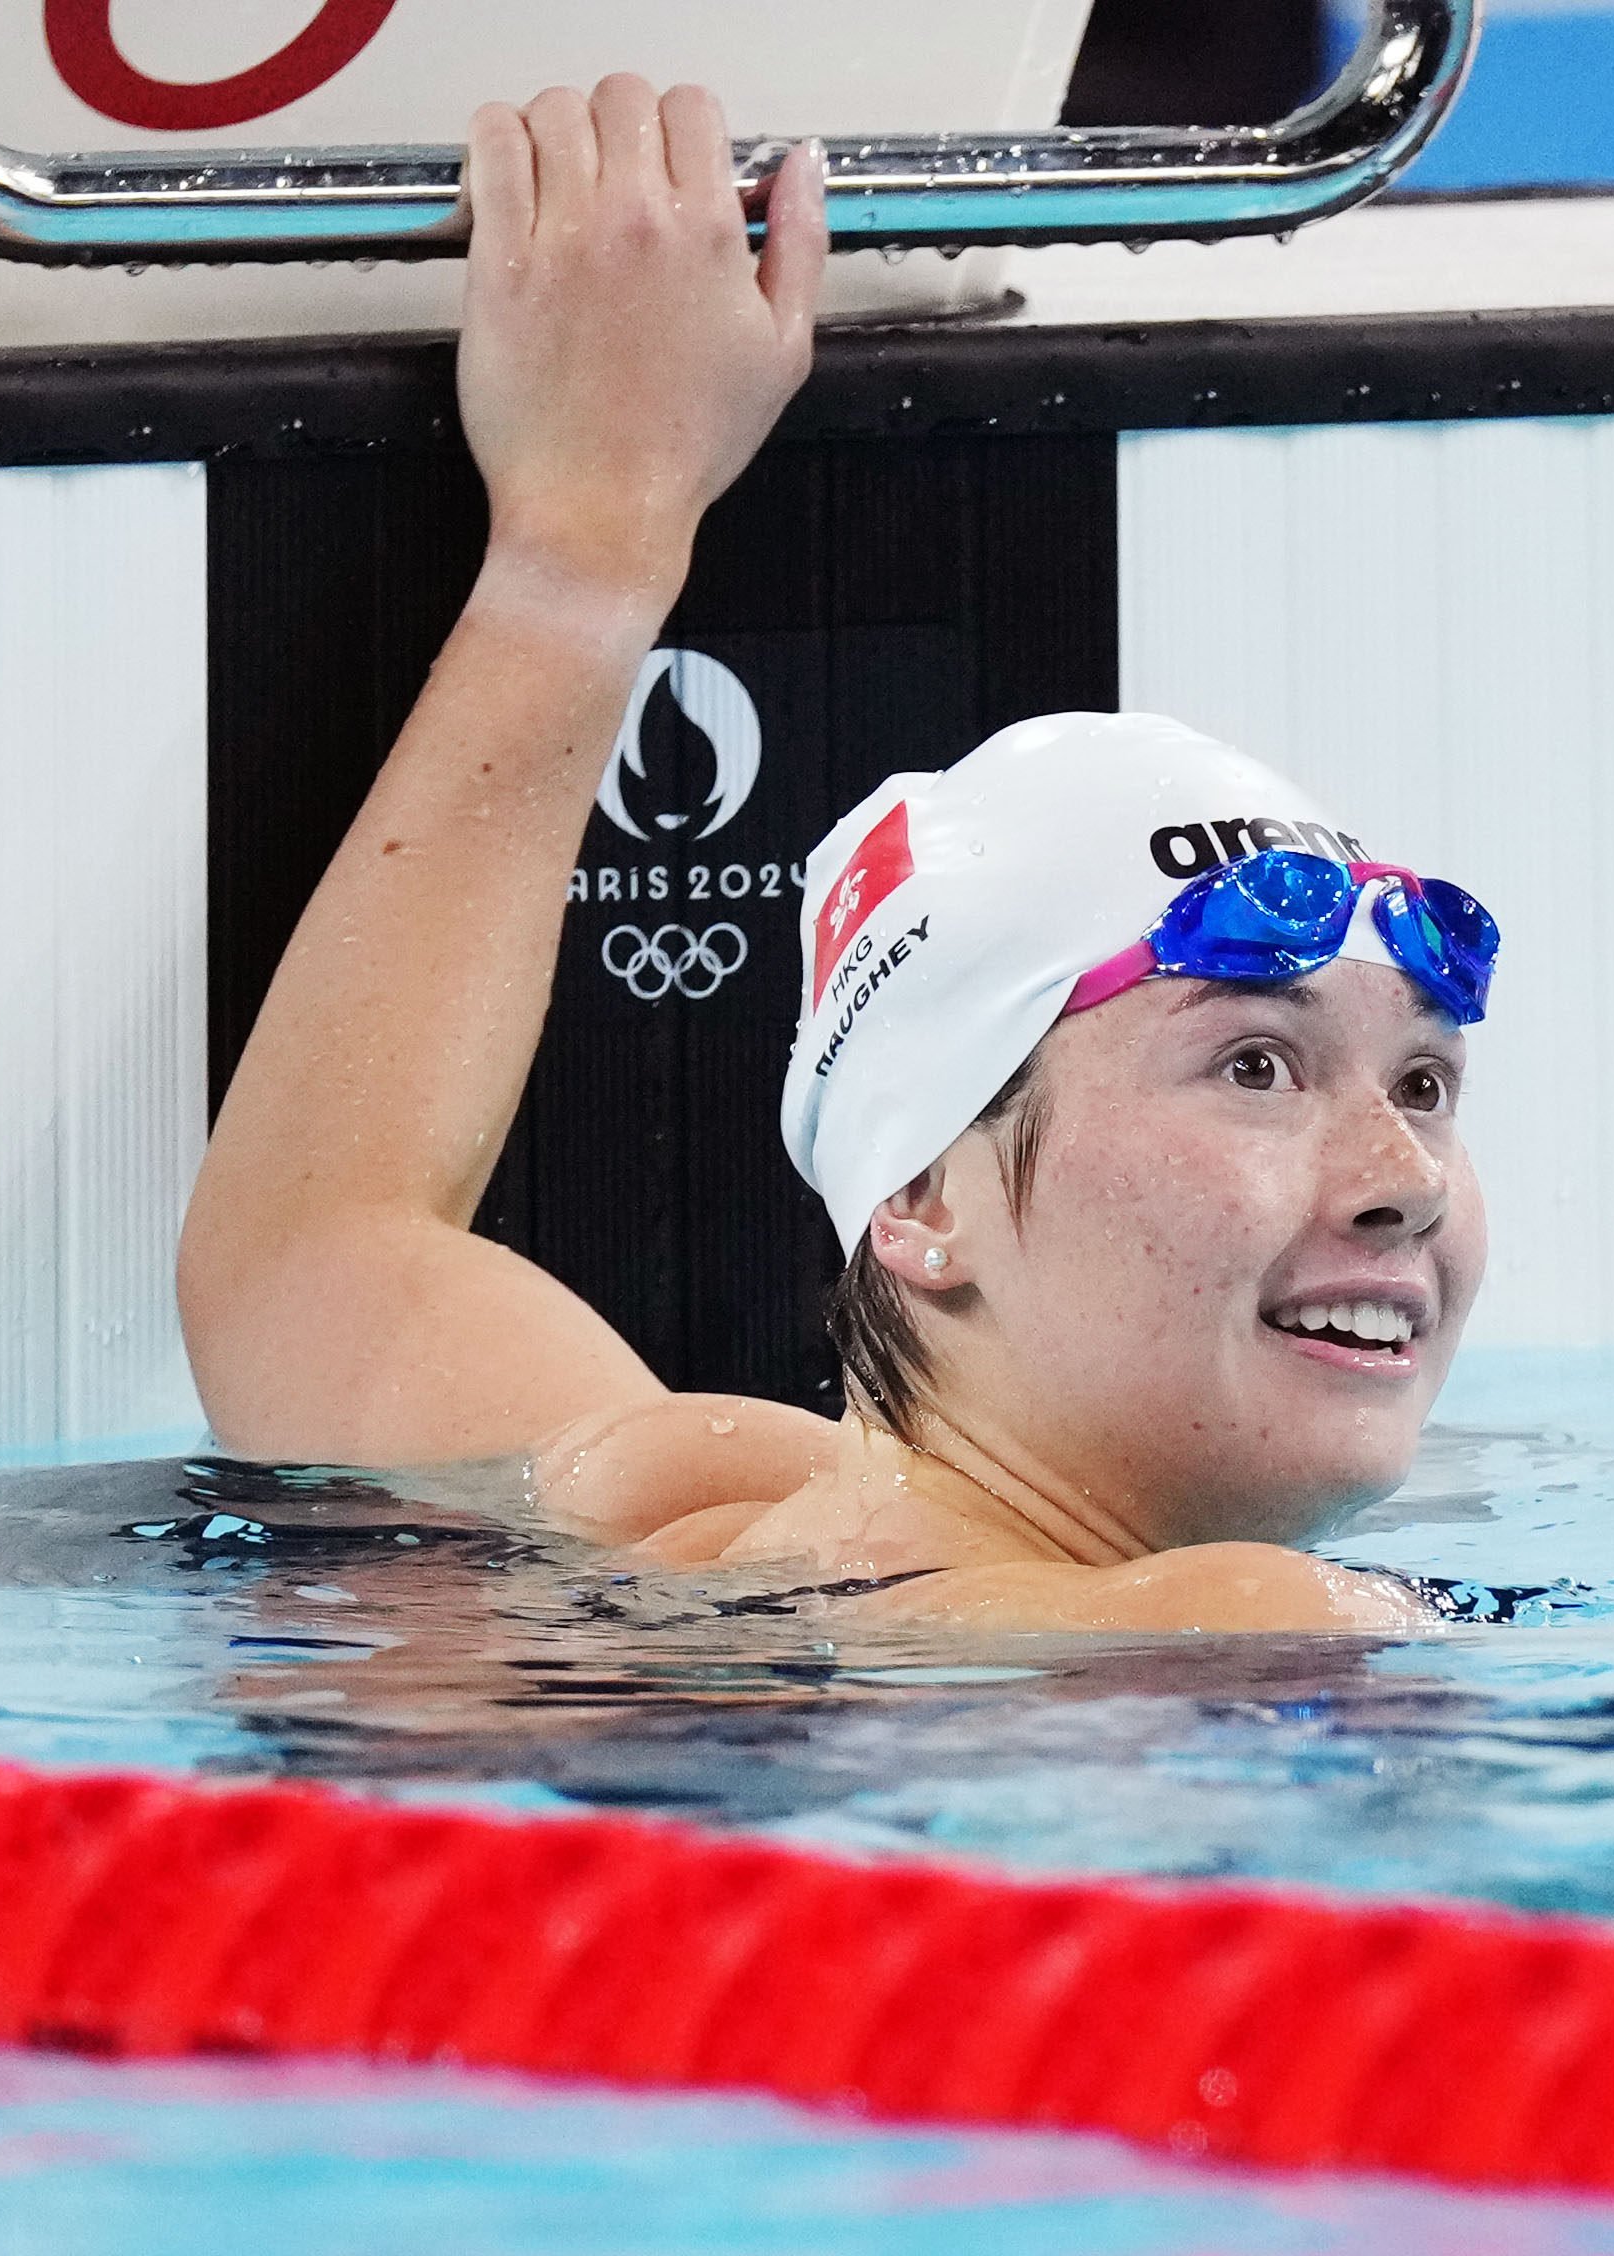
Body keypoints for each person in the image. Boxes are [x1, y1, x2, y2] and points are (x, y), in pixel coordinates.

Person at [177, 79, 1494, 1634]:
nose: (1406, 1182)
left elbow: (306, 1245)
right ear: (927, 1191)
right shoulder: (1248, 1628)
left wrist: (587, 541)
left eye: (1422, 1082)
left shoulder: (668, 1512)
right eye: (1257, 1066)